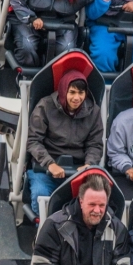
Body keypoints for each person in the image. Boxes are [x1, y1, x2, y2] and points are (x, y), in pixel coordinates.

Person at [26, 69, 104, 215]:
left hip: (77, 171)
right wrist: (50, 164)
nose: (77, 98)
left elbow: (95, 144)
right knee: (40, 195)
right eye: (72, 92)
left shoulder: (94, 112)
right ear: (63, 91)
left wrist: (89, 164)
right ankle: (43, 233)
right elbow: (33, 141)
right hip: (45, 169)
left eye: (81, 93)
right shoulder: (45, 106)